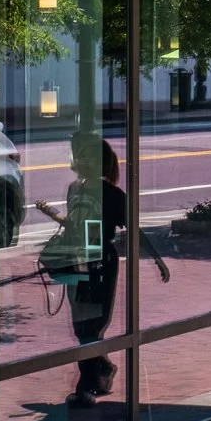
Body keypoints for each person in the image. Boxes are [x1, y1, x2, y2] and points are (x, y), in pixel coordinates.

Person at [33, 133, 124, 404]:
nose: (80, 159)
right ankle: (102, 369)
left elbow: (132, 227)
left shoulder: (113, 194)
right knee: (82, 326)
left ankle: (87, 386)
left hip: (101, 263)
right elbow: (74, 224)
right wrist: (52, 213)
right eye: (78, 154)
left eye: (86, 155)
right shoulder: (75, 189)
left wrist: (159, 260)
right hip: (77, 259)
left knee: (92, 326)